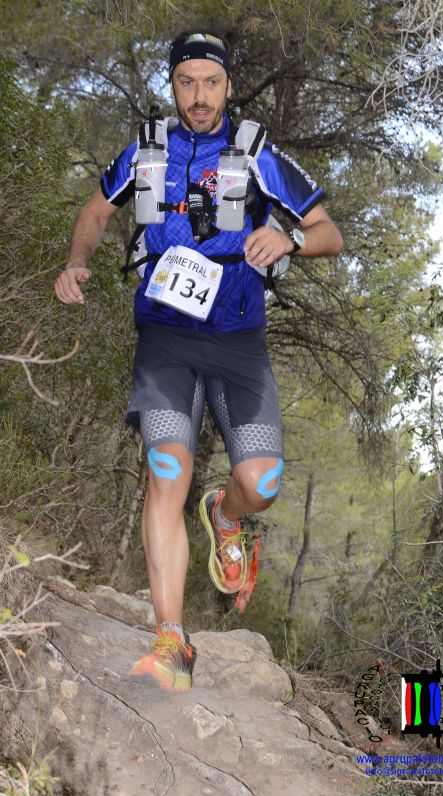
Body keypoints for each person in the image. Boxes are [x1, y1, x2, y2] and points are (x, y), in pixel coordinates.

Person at [54, 31, 343, 692]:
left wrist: (289, 237)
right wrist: (76, 260)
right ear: (174, 86)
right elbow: (96, 211)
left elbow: (330, 232)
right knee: (166, 471)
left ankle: (228, 518)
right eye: (187, 81)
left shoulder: (258, 154)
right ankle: (171, 645)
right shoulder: (146, 150)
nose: (199, 95)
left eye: (211, 82)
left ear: (228, 87)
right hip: (165, 336)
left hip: (239, 339)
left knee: (261, 482)